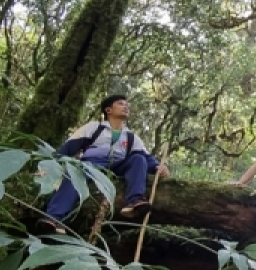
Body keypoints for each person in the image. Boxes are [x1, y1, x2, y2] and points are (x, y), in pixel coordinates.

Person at [39, 95, 169, 233]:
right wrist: (49, 166)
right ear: (108, 110)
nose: (126, 107)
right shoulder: (94, 128)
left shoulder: (130, 136)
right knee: (73, 176)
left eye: (127, 105)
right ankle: (54, 218)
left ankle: (134, 201)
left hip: (118, 166)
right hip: (90, 164)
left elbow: (145, 156)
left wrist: (157, 166)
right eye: (120, 104)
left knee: (138, 159)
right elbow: (69, 147)